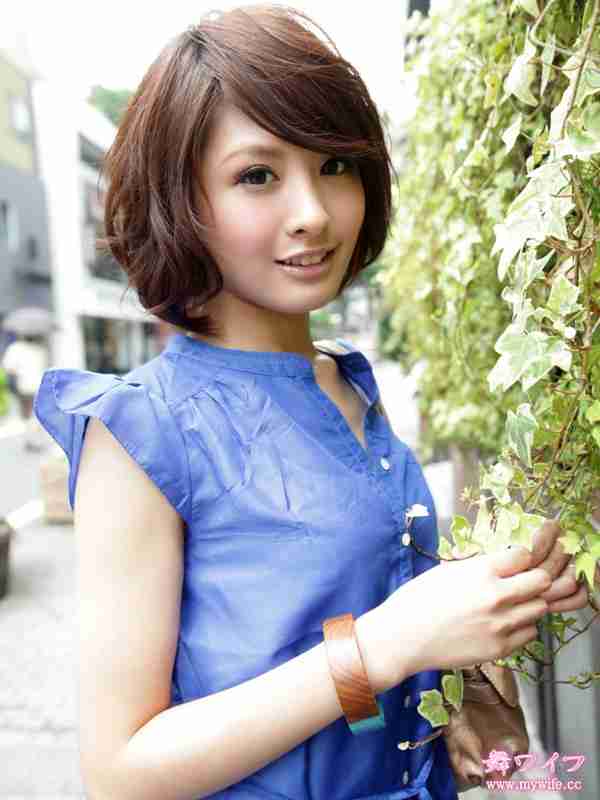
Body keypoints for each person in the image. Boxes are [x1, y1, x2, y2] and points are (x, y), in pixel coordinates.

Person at [32, 6, 589, 800]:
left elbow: (336, 661)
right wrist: (391, 643)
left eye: (334, 165)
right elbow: (121, 773)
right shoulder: (143, 431)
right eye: (257, 176)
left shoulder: (349, 383)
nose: (314, 214)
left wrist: (462, 695)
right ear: (181, 200)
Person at [1, 333, 48, 451]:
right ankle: (35, 439)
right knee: (35, 414)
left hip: (24, 386)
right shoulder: (40, 348)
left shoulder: (16, 347)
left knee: (27, 414)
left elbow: (8, 367)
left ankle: (31, 439)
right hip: (40, 385)